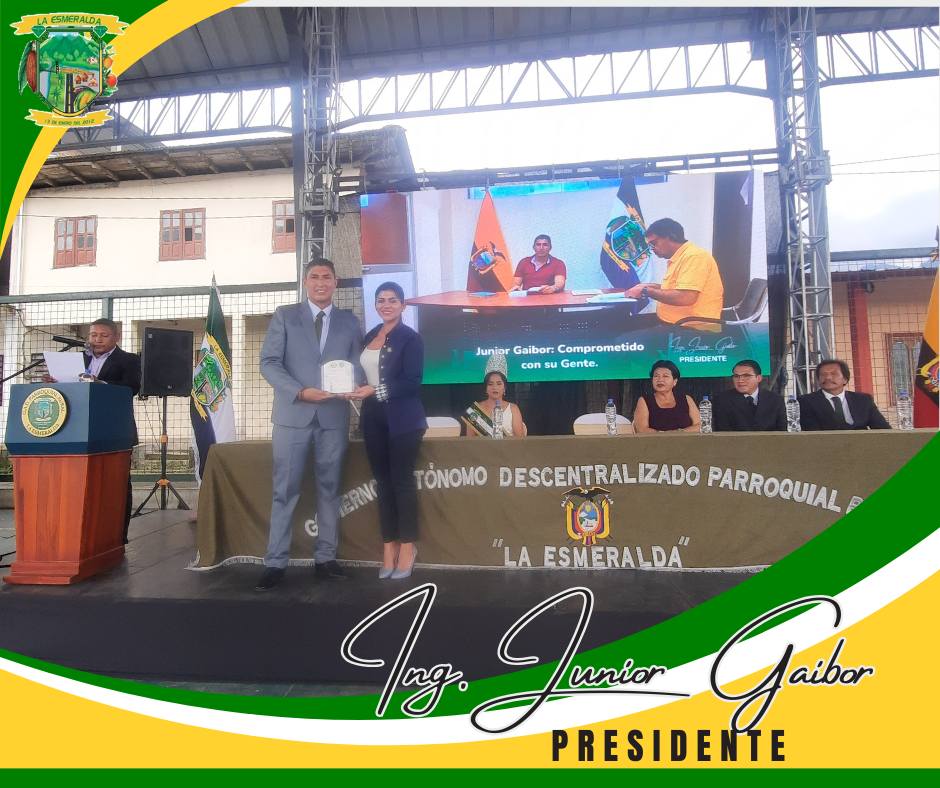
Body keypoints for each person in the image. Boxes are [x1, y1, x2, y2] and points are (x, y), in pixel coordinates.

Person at [255, 258, 364, 591]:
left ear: (335, 282)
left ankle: (326, 558)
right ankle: (275, 562)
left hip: (333, 417)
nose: (320, 282)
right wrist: (300, 392)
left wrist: (353, 383)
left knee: (330, 489)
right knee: (284, 490)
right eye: (314, 277)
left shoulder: (349, 321)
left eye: (326, 277)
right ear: (305, 282)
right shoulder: (285, 316)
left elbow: (356, 364)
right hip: (293, 417)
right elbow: (268, 363)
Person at [350, 282, 426, 580]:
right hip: (373, 419)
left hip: (404, 420)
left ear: (403, 305)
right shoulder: (370, 335)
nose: (386, 305)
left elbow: (412, 382)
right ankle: (388, 546)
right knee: (382, 484)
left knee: (402, 483)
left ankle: (407, 547)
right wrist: (354, 387)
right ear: (375, 305)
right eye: (381, 300)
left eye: (393, 300)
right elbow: (364, 373)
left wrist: (375, 390)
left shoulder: (411, 338)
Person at [44, 318, 140, 542]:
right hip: (77, 429)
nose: (97, 340)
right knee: (79, 484)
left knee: (117, 484)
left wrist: (100, 384)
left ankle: (117, 536)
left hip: (114, 430)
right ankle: (80, 535)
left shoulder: (129, 360)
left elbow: (131, 388)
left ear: (116, 337)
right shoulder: (79, 359)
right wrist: (55, 383)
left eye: (103, 335)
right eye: (93, 335)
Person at [624, 218, 724, 327]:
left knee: (626, 335)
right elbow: (675, 289)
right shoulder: (680, 257)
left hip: (693, 329)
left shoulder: (694, 256)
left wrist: (646, 291)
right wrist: (647, 286)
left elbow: (685, 297)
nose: (652, 249)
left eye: (654, 243)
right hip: (675, 324)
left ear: (671, 236)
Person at [798, 359, 891, 431]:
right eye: (823, 374)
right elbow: (811, 432)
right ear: (818, 380)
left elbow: (883, 429)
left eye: (834, 374)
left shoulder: (863, 400)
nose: (828, 377)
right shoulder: (806, 402)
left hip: (861, 445)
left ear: (845, 379)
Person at [712, 359, 787, 432]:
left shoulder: (776, 400)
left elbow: (782, 431)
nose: (740, 380)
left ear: (759, 378)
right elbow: (722, 431)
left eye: (746, 376)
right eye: (736, 376)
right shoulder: (722, 400)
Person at [632, 360, 701, 433]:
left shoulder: (686, 399)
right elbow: (642, 429)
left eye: (665, 376)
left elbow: (700, 425)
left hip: (686, 439)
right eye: (656, 376)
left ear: (675, 381)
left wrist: (679, 432)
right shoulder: (644, 400)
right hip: (656, 440)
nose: (660, 380)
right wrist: (664, 435)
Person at [463, 365, 527, 438]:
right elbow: (470, 441)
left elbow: (519, 439)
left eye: (499, 384)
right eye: (490, 384)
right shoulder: (475, 410)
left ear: (504, 388)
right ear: (486, 388)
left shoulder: (513, 408)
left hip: (509, 445)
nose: (495, 387)